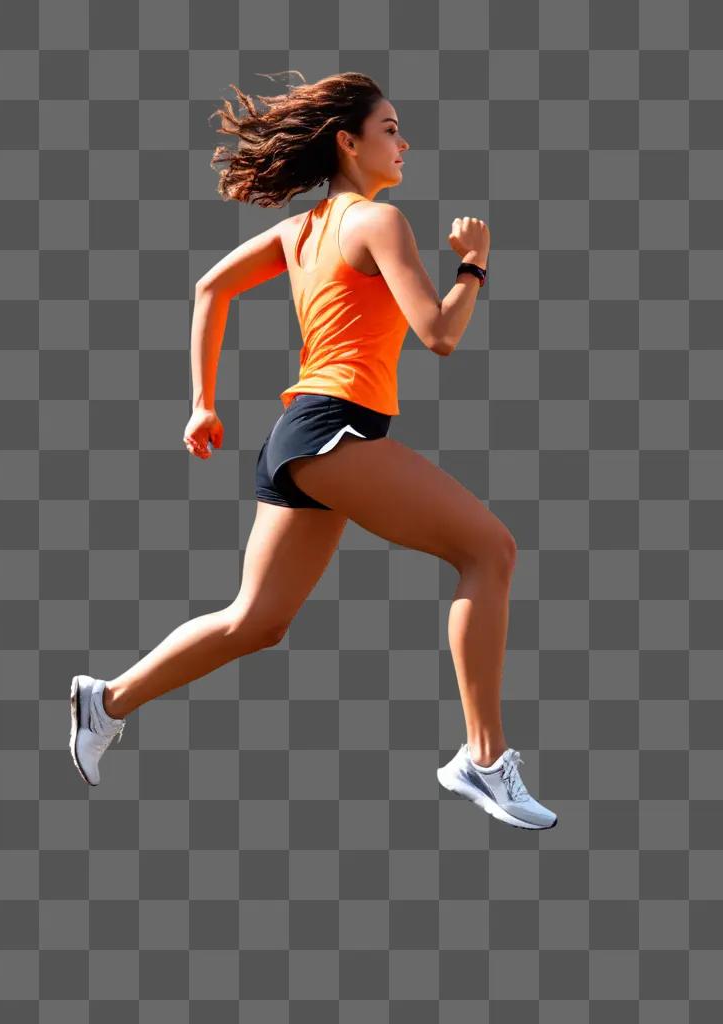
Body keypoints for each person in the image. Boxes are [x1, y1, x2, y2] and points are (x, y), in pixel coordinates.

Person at [69, 71, 556, 830]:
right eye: (390, 128)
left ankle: (106, 702)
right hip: (336, 430)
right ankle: (485, 761)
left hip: (303, 436)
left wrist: (202, 400)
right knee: (489, 551)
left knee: (256, 622)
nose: (404, 141)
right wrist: (475, 264)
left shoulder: (302, 230)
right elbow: (441, 333)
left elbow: (208, 289)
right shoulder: (376, 221)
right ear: (348, 141)